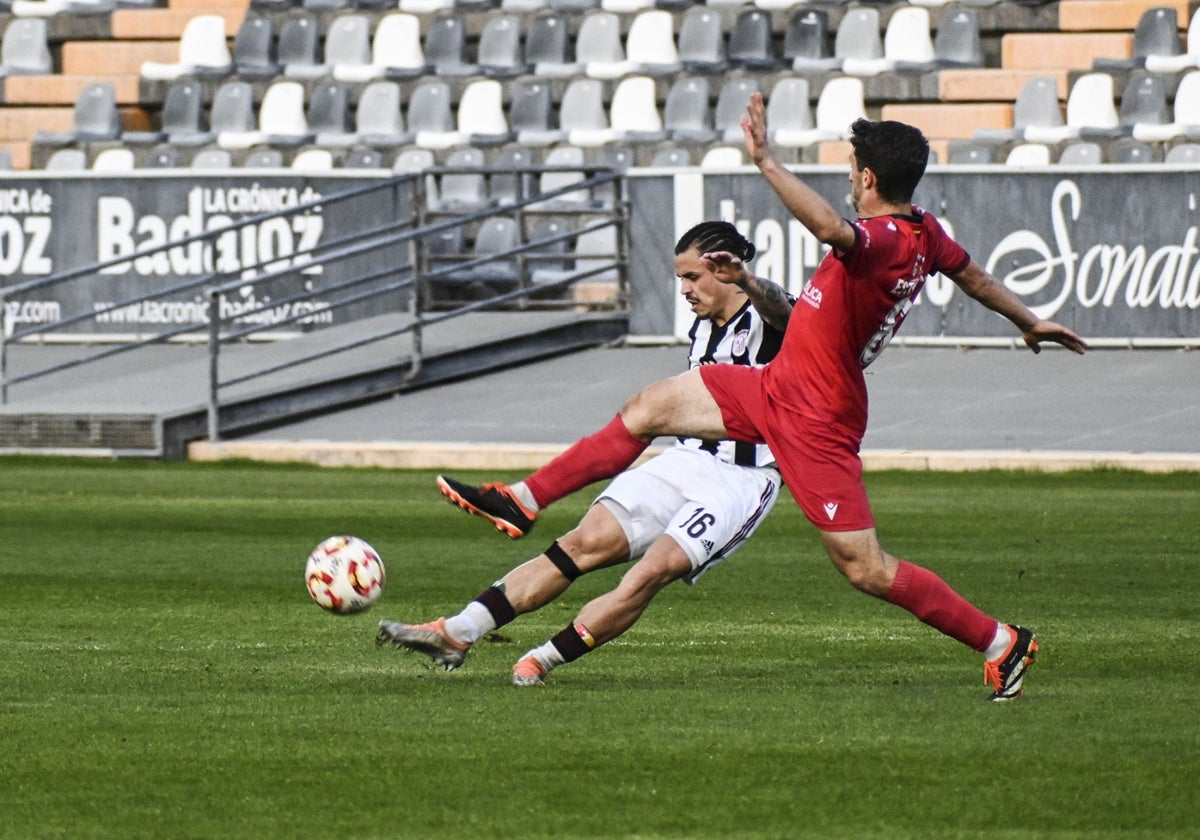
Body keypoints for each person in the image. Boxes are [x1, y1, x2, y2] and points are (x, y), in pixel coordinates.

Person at [432, 93, 1089, 702]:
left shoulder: (884, 239)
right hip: (775, 388)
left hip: (816, 416)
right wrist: (1025, 319)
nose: (848, 176)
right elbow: (971, 274)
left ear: (867, 179)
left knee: (865, 568)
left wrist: (767, 163)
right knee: (650, 406)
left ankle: (1002, 641)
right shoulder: (925, 231)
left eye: (852, 166)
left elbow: (833, 229)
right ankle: (525, 498)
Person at [378, 221, 794, 686]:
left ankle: (543, 659)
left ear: (726, 269)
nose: (685, 289)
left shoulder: (767, 316)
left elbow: (782, 311)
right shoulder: (702, 326)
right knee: (581, 543)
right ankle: (458, 631)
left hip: (741, 478)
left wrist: (749, 281)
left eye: (693, 277)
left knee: (652, 571)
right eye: (679, 279)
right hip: (684, 460)